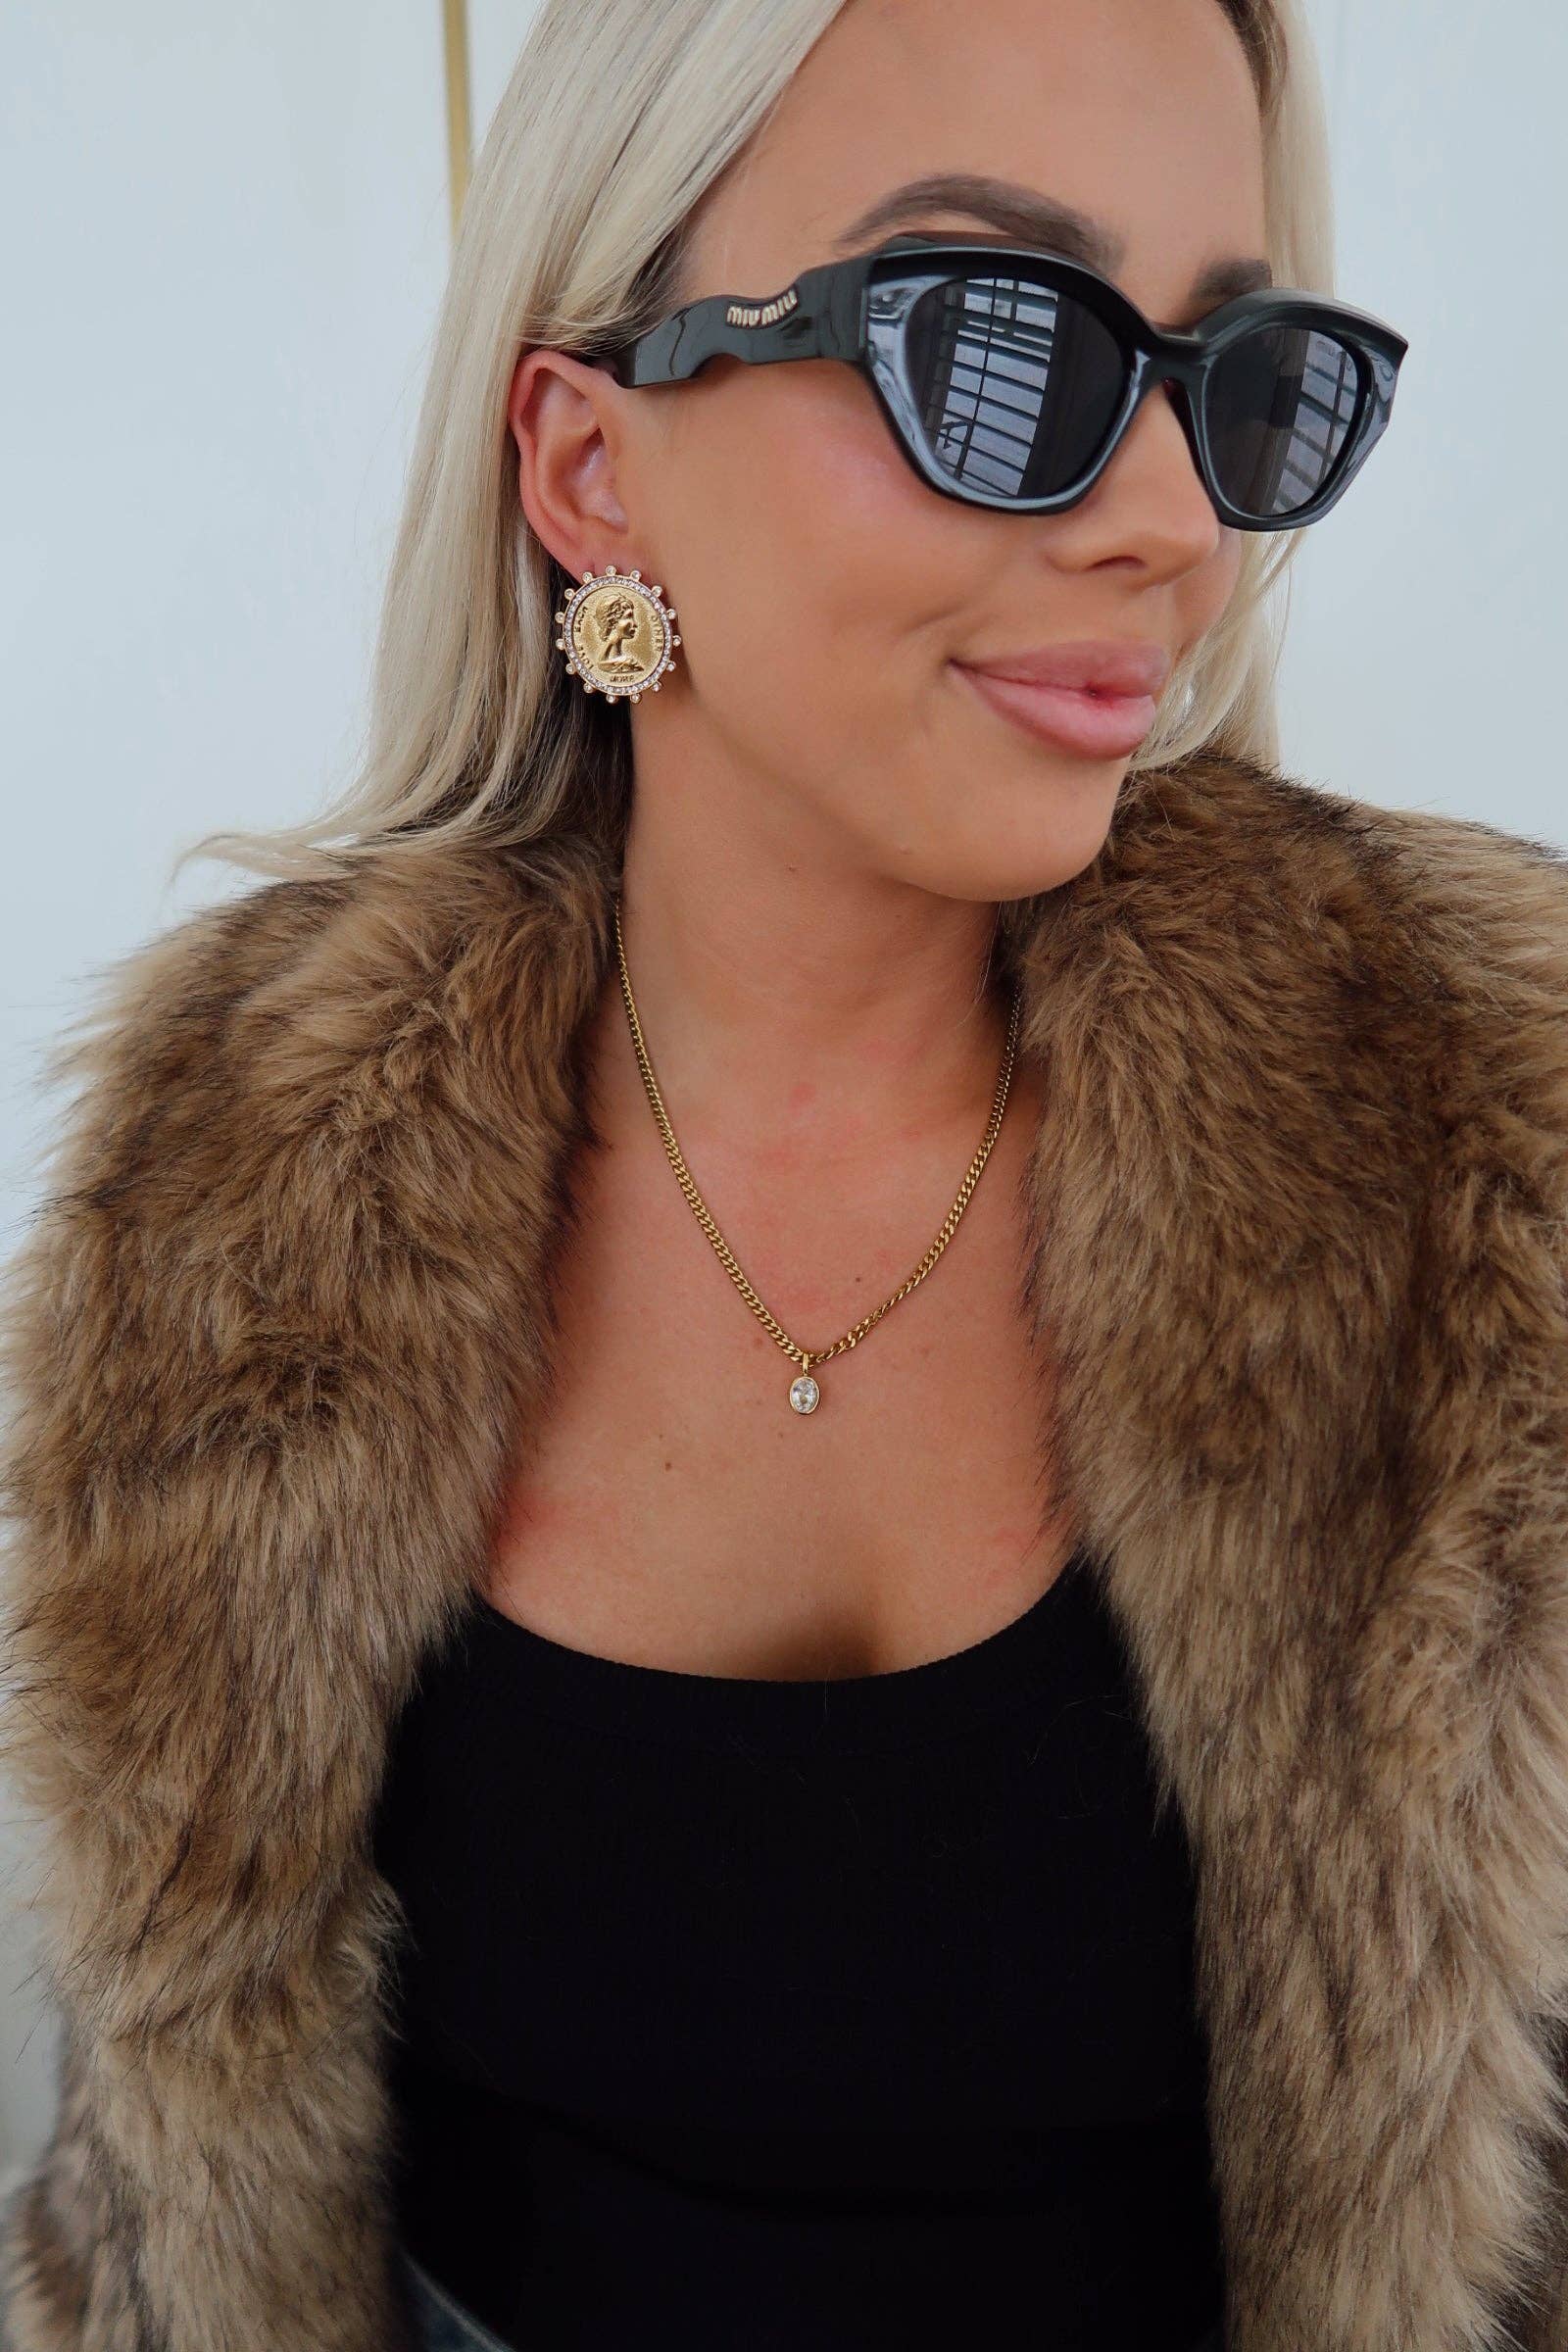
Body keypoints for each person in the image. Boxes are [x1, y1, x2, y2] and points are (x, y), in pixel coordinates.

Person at [1, 0, 1565, 2346]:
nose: (1170, 526)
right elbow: (155, 2169)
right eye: (996, 347)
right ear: (590, 468)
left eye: (1244, 384)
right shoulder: (216, 1203)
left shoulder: (1486, 1162)